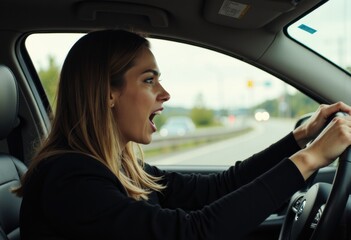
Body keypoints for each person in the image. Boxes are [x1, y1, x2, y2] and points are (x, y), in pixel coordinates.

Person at [15, 29, 351, 240]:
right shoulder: (71, 181)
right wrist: (310, 159)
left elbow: (218, 187)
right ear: (107, 93)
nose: (165, 94)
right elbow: (195, 232)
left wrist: (301, 138)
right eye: (149, 80)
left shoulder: (116, 169)